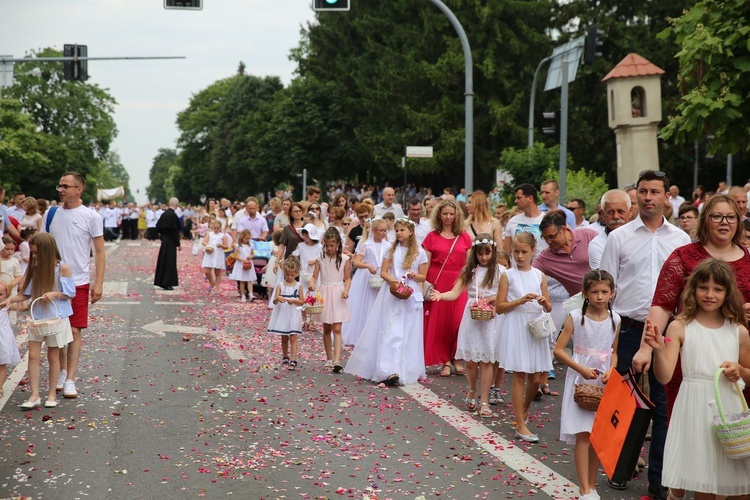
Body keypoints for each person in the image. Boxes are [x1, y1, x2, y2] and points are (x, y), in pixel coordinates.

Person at [599, 170, 691, 498]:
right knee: (624, 403)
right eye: (643, 191)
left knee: (665, 407)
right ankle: (620, 467)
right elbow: (605, 289)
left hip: (668, 333)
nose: (648, 197)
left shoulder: (681, 241)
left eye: (655, 191)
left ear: (667, 196)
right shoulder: (619, 237)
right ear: (635, 195)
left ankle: (659, 480)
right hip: (628, 329)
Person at [637, 194, 750, 420]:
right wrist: (646, 348)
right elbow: (662, 305)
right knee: (686, 422)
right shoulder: (683, 257)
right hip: (690, 353)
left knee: (735, 433)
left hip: (737, 352)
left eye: (730, 217)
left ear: (738, 221)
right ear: (705, 220)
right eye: (717, 216)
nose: (724, 222)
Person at [644, 259, 750, 498]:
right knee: (704, 485)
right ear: (693, 289)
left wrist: (739, 371)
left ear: (727, 293)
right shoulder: (680, 326)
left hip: (727, 411)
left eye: (717, 289)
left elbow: (748, 373)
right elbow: (664, 376)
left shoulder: (738, 331)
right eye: (703, 287)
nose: (709, 294)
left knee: (739, 486)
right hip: (694, 408)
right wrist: (659, 350)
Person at [554, 270, 620, 500]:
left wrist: (611, 369)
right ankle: (583, 488)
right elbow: (559, 349)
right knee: (583, 434)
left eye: (604, 292)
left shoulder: (616, 319)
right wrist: (579, 368)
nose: (600, 297)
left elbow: (613, 352)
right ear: (585, 293)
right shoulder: (575, 317)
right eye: (594, 292)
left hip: (602, 381)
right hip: (581, 378)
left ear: (612, 293)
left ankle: (592, 485)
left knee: (597, 435)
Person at [345, 218, 428, 386]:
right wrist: (394, 282)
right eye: (396, 230)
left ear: (410, 232)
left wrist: (413, 276)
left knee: (409, 330)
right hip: (392, 290)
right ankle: (388, 369)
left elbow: (423, 276)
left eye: (402, 230)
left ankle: (407, 367)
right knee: (391, 329)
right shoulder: (391, 250)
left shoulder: (420, 252)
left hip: (410, 293)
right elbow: (383, 272)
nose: (398, 233)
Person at [431, 234, 505, 418]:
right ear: (474, 253)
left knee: (487, 360)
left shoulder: (500, 271)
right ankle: (472, 389)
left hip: (491, 317)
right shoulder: (469, 270)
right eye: (480, 253)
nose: (484, 257)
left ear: (493, 252)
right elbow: (455, 292)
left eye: (487, 253)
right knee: (471, 361)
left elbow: (506, 293)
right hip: (472, 314)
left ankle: (485, 400)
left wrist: (491, 299)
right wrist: (441, 295)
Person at [5, 233, 75, 409]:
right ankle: (34, 394)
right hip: (38, 318)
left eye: (36, 253)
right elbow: (26, 293)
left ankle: (51, 394)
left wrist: (55, 294)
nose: (33, 256)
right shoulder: (35, 268)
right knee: (33, 356)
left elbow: (70, 293)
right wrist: (9, 300)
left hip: (56, 318)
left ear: (47, 250)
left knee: (53, 356)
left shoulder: (62, 268)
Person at [496, 232, 552, 443]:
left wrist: (543, 303)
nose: (519, 256)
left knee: (536, 378)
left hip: (535, 325)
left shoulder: (539, 275)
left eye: (524, 252)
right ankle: (520, 424)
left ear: (533, 251)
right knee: (520, 374)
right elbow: (499, 307)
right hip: (517, 324)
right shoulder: (507, 275)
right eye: (516, 252)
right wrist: (519, 301)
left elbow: (548, 305)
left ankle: (524, 410)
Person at [423, 199, 473, 377]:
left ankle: (456, 357)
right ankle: (445, 360)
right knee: (441, 323)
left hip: (459, 281)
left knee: (458, 322)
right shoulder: (431, 236)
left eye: (452, 214)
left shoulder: (465, 236)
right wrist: (424, 283)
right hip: (438, 281)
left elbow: (469, 264)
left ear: (457, 215)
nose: (448, 217)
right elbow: (426, 264)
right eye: (445, 214)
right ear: (439, 215)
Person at [309, 227, 352, 373]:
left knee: (337, 328)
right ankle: (329, 357)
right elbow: (315, 276)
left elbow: (347, 278)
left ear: (338, 244)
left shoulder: (345, 259)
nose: (328, 248)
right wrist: (312, 282)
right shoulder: (320, 258)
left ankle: (337, 360)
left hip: (338, 292)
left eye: (331, 245)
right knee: (326, 328)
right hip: (325, 292)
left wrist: (346, 290)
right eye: (326, 245)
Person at [342, 218, 389, 346]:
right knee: (366, 305)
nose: (384, 233)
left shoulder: (389, 245)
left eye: (386, 230)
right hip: (368, 276)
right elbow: (356, 262)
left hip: (383, 275)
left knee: (379, 306)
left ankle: (378, 335)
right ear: (373, 231)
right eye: (381, 230)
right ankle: (363, 335)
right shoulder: (366, 245)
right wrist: (368, 265)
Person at [268, 256, 305, 371]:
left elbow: (302, 301)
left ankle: (293, 359)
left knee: (293, 336)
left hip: (293, 312)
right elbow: (274, 300)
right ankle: (285, 356)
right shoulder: (280, 285)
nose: (289, 277)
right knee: (284, 336)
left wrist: (294, 301)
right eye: (287, 274)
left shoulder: (299, 286)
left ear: (296, 274)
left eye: (292, 275)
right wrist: (278, 298)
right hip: (283, 313)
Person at [588, 190, 632, 269]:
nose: (616, 216)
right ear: (602, 214)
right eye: (610, 212)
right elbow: (603, 279)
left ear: (630, 212)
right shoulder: (598, 244)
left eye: (620, 211)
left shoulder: (643, 235)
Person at [293, 223, 323, 329]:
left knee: (314, 297)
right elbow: (295, 256)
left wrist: (315, 261)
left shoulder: (319, 247)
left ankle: (311, 321)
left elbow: (323, 258)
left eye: (308, 235)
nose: (305, 237)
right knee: (303, 297)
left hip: (315, 275)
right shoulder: (301, 246)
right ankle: (304, 318)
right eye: (304, 235)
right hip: (304, 274)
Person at [503, 184, 545, 257]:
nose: (515, 201)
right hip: (516, 267)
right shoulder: (513, 221)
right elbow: (506, 252)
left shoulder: (546, 220)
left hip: (540, 266)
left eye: (519, 198)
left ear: (530, 198)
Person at [154, 197, 181, 291]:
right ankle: (167, 282)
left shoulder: (164, 214)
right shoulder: (173, 216)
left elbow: (158, 228)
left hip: (164, 240)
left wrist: (162, 237)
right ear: (176, 205)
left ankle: (161, 281)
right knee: (170, 262)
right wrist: (178, 243)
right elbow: (174, 231)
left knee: (163, 261)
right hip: (171, 242)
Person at [0, 282, 21, 401]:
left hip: (2, 338)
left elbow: (23, 307)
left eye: (0, 294)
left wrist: (19, 293)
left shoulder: (6, 307)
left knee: (1, 364)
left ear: (6, 295)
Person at [201, 219, 229, 293]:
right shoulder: (209, 234)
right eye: (215, 228)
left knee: (217, 272)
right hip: (210, 253)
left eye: (217, 228)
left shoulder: (222, 236)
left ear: (220, 228)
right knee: (207, 271)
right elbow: (204, 242)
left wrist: (221, 245)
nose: (216, 229)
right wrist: (208, 245)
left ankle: (217, 288)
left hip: (218, 253)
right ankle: (212, 283)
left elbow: (226, 246)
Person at [229, 229, 256, 302]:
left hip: (248, 263)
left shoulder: (251, 245)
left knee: (250, 280)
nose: (247, 240)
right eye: (246, 238)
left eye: (248, 238)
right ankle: (243, 295)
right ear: (242, 237)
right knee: (242, 281)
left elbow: (253, 253)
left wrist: (251, 256)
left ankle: (251, 294)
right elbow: (235, 256)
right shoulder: (238, 246)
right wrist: (242, 260)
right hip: (241, 264)